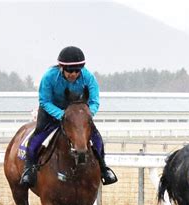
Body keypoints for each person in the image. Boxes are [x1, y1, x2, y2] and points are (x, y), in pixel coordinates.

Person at [20, 46, 118, 187]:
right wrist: (62, 115)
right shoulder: (49, 77)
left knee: (97, 138)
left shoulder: (89, 77)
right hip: (51, 112)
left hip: (78, 116)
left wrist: (86, 115)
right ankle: (28, 170)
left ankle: (104, 169)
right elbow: (45, 101)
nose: (73, 74)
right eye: (70, 71)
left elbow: (95, 101)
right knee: (38, 137)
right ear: (61, 67)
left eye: (77, 71)